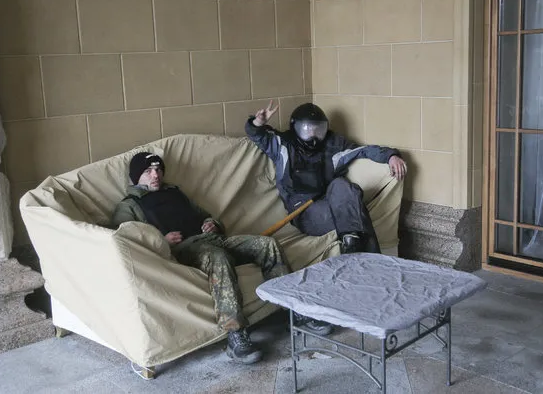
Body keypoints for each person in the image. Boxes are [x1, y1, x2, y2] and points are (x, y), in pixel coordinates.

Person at [111, 152, 332, 364]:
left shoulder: (175, 192)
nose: (156, 174)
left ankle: (294, 310)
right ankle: (236, 335)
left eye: (158, 169)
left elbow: (205, 214)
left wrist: (213, 223)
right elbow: (125, 241)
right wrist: (162, 241)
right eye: (148, 171)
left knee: (268, 244)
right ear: (136, 176)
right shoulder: (129, 205)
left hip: (213, 239)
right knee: (219, 258)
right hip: (185, 250)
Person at [245, 102, 407, 254]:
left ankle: (352, 246)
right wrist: (258, 123)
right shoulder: (283, 144)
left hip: (332, 198)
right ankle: (365, 253)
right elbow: (257, 135)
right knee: (354, 210)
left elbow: (363, 150)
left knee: (342, 185)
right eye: (307, 129)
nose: (314, 136)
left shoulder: (333, 144)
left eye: (319, 129)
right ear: (295, 127)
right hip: (304, 210)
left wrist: (390, 156)